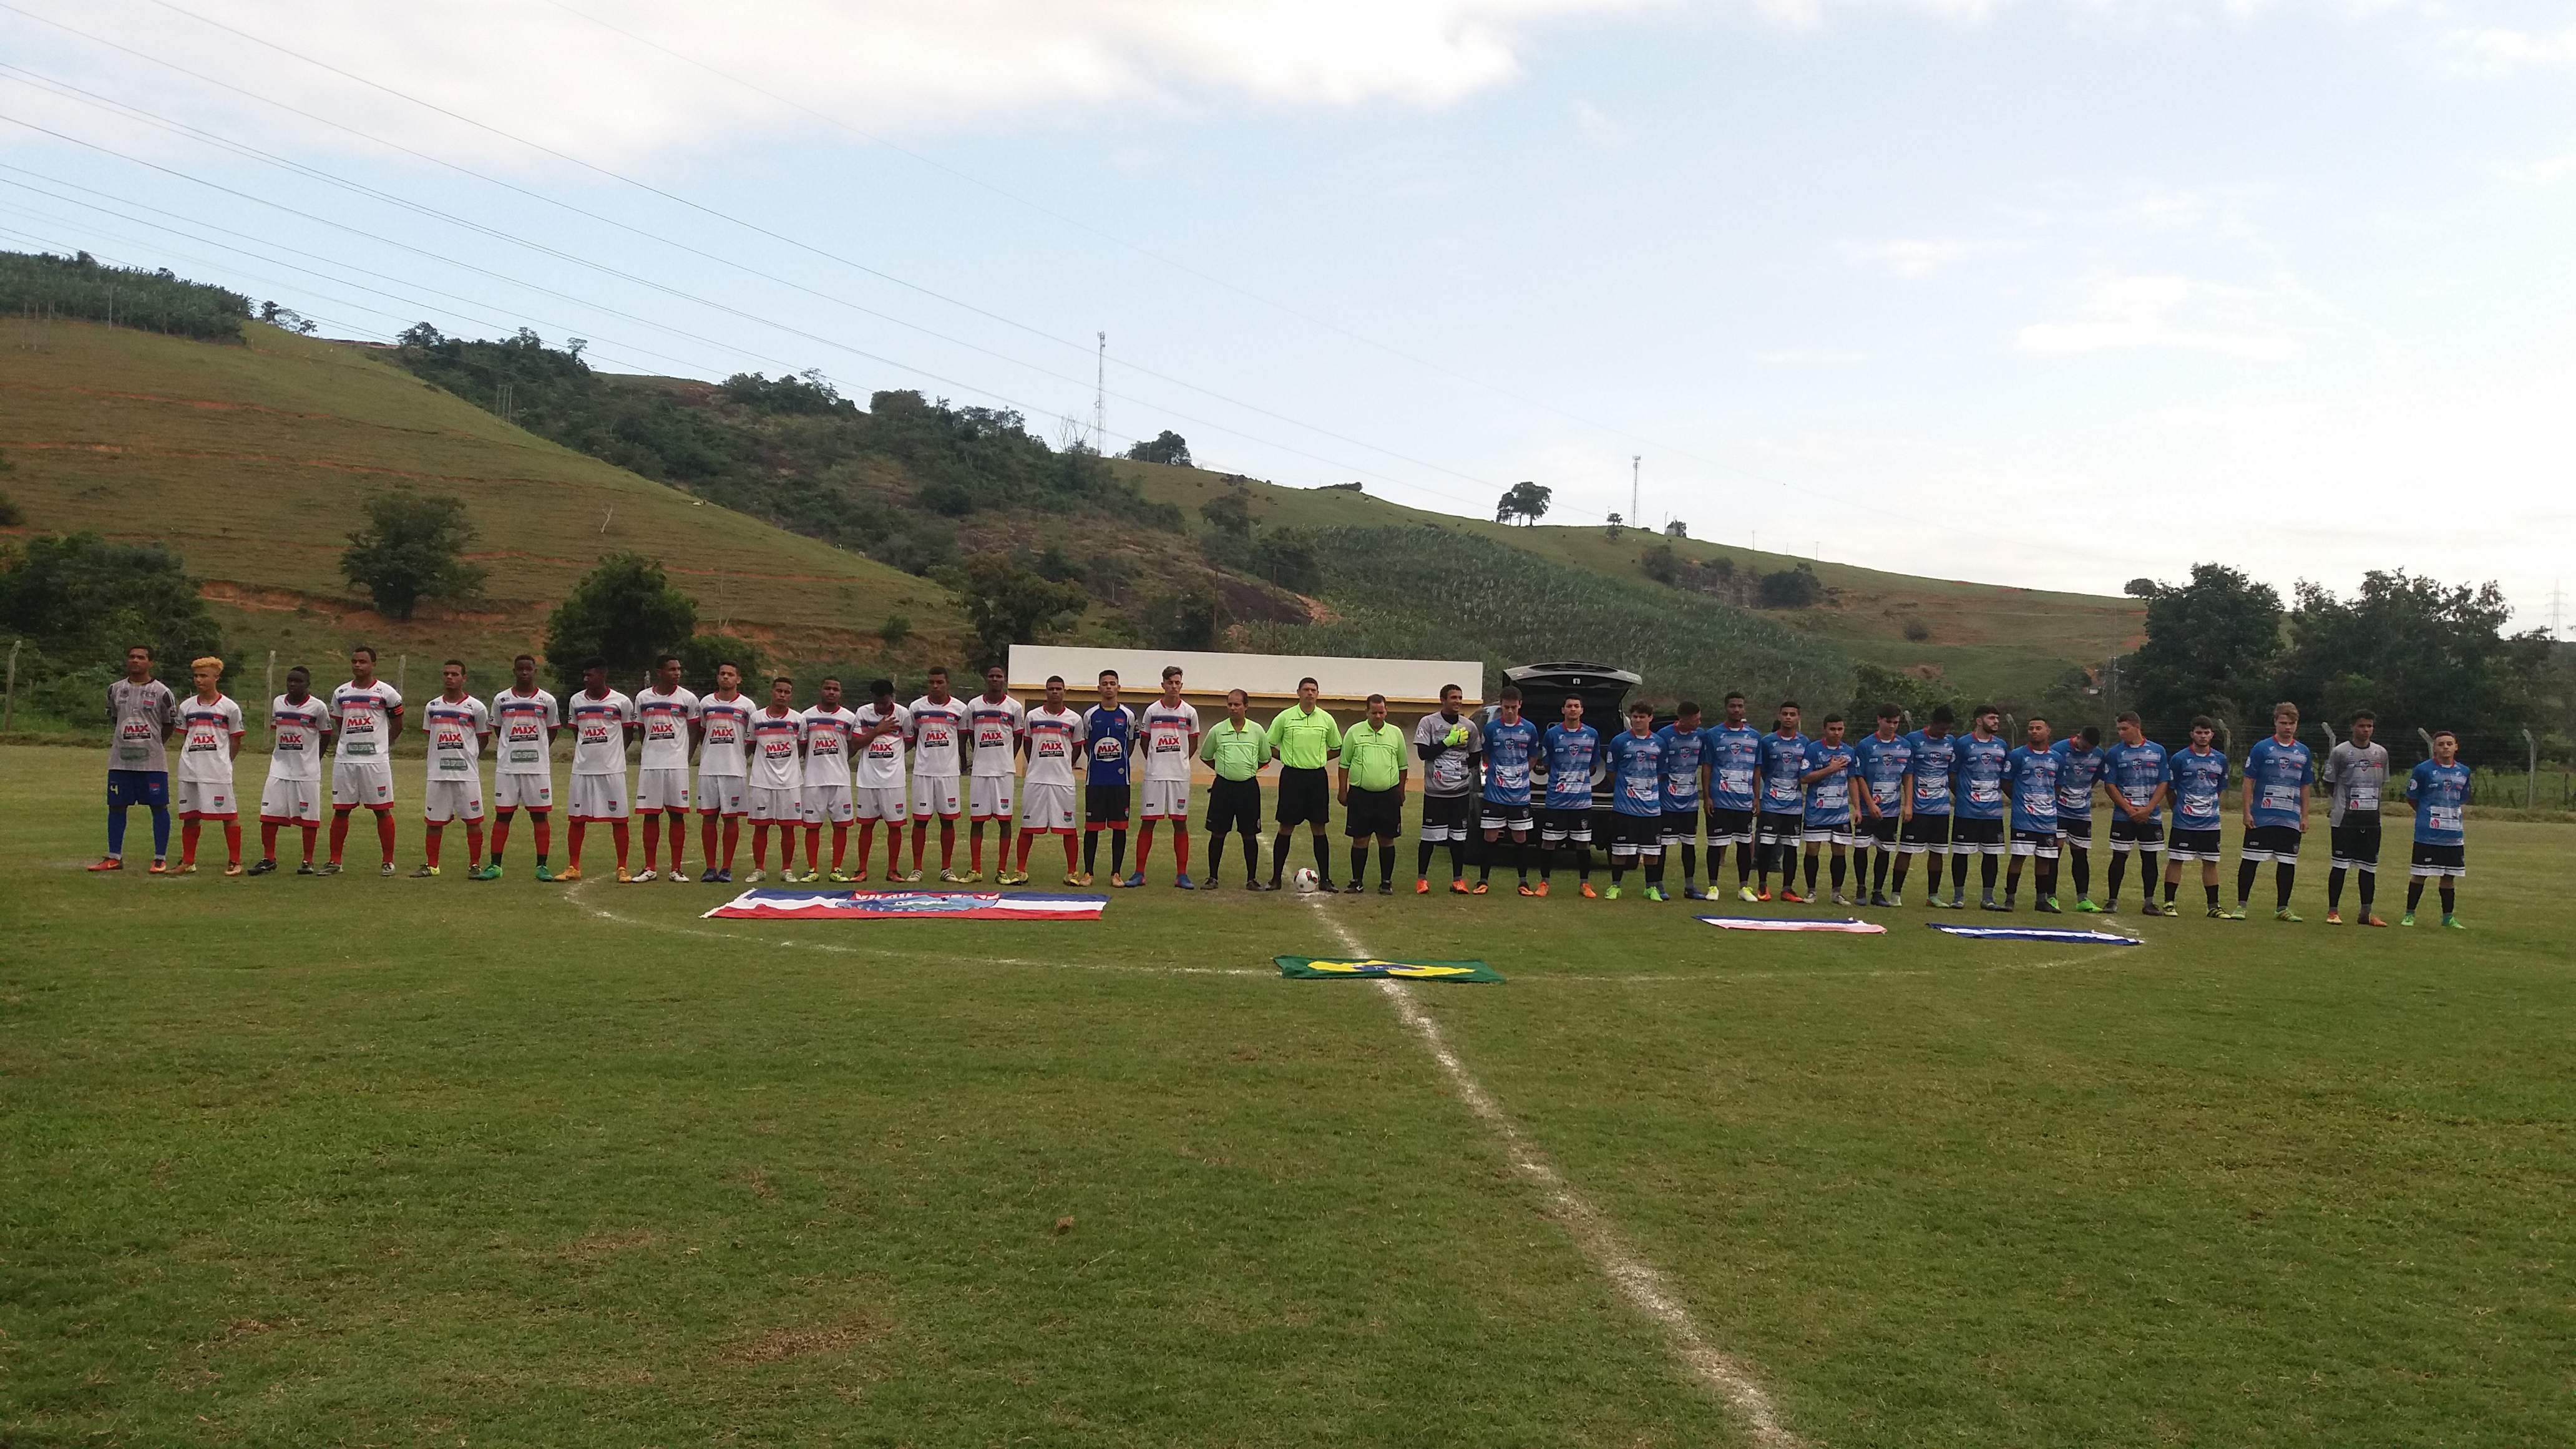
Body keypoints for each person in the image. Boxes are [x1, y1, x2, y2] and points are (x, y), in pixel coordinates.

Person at [95, 643, 179, 873]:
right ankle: (114, 857)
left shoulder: (162, 692)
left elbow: (169, 724)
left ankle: (160, 858)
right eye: (132, 657)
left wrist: (152, 744)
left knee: (159, 806)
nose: (135, 661)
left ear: (151, 662)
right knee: (116, 806)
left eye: (141, 658)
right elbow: (115, 718)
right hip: (120, 761)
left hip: (152, 762)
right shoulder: (115, 689)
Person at [325, 645, 405, 877]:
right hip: (345, 761)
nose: (358, 665)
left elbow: (398, 725)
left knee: (382, 811)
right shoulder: (341, 693)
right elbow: (340, 724)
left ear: (373, 665)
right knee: (341, 811)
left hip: (375, 762)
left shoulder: (387, 693)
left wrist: (383, 746)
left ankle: (388, 861)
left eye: (363, 662)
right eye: (355, 662)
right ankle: (334, 861)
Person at [2235, 701, 2315, 921]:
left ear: (2296, 725)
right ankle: (2241, 906)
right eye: (2283, 722)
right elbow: (2248, 780)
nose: (2287, 727)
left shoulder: (2303, 752)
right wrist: (2246, 812)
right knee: (2250, 860)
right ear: (2276, 722)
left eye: (2291, 723)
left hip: (2290, 818)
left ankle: (2282, 908)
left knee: (2287, 862)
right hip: (2262, 816)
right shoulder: (2262, 748)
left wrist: (2305, 816)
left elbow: (2305, 785)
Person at [485, 655, 560, 881]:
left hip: (537, 768)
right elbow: (499, 729)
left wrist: (537, 749)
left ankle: (542, 866)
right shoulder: (501, 699)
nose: (525, 673)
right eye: (521, 669)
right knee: (503, 816)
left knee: (539, 816)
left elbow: (552, 730)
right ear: (514, 671)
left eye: (529, 669)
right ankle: (495, 866)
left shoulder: (547, 701)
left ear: (535, 671)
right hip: (508, 768)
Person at [561, 656, 636, 882]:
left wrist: (613, 754)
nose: (586, 679)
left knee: (619, 819)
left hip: (612, 770)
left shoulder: (621, 702)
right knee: (576, 819)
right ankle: (574, 866)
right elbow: (577, 733)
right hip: (582, 769)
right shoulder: (576, 701)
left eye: (590, 675)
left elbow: (629, 733)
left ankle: (622, 867)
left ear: (602, 675)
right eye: (584, 675)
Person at [415, 659, 490, 880]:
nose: (450, 677)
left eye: (455, 674)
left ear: (464, 678)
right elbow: (431, 736)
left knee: (473, 821)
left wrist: (470, 757)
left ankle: (475, 865)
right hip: (438, 773)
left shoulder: (476, 708)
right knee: (434, 822)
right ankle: (432, 865)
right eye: (446, 673)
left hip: (466, 775)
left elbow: (483, 738)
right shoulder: (433, 707)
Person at [250, 665, 329, 876]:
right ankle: (269, 858)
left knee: (309, 817)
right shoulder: (278, 702)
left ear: (308, 684)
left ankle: (308, 861)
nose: (293, 684)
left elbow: (327, 734)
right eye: (290, 681)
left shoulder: (318, 707)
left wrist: (315, 760)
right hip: (279, 768)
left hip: (306, 772)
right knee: (268, 815)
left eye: (298, 681)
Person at [1266, 676, 1343, 892]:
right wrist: (1287, 757)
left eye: (1314, 690)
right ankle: (1275, 879)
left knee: (1319, 827)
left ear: (1318, 694)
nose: (1310, 693)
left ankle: (1326, 879)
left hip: (1317, 777)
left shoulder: (1326, 719)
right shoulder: (1285, 717)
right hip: (1292, 777)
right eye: (1306, 690)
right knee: (1286, 826)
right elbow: (1268, 744)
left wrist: (1318, 758)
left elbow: (1337, 747)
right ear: (1298, 692)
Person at [173, 656, 245, 875]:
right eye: (196, 676)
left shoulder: (229, 708)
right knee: (190, 816)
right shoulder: (186, 706)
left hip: (217, 771)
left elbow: (236, 740)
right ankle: (188, 861)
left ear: (217, 677)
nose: (198, 680)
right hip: (189, 768)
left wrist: (224, 762)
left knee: (228, 816)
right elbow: (184, 736)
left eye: (204, 675)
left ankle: (235, 861)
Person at [632, 655, 700, 884]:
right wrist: (650, 751)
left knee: (677, 815)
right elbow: (641, 730)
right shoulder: (643, 697)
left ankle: (676, 869)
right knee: (650, 815)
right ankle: (650, 867)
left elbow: (694, 730)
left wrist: (685, 757)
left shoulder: (688, 698)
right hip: (651, 765)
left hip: (677, 766)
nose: (677, 673)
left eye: (679, 669)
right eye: (672, 669)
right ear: (659, 672)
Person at [1012, 676, 1086, 885]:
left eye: (1059, 689)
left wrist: (1063, 765)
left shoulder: (1074, 719)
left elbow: (1077, 747)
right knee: (1027, 827)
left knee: (1069, 828)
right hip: (1036, 780)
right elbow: (1028, 746)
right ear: (1046, 691)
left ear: (1065, 691)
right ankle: (1021, 870)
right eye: (1051, 689)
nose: (1055, 692)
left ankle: (1072, 872)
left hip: (1063, 781)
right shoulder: (1033, 717)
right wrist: (1037, 764)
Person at [1134, 666, 1201, 888]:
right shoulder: (1152, 711)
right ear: (1163, 684)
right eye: (1170, 682)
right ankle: (1139, 873)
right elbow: (1145, 742)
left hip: (1179, 776)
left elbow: (1193, 743)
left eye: (1177, 682)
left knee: (1180, 823)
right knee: (1148, 823)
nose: (1174, 686)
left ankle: (1182, 874)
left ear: (1182, 685)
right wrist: (1155, 761)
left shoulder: (1190, 712)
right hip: (1155, 775)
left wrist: (1180, 761)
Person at [2322, 710, 2391, 926]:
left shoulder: (2381, 753)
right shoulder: (2340, 752)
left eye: (2370, 726)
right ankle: (2333, 911)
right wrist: (2341, 802)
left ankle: (2366, 914)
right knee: (2340, 865)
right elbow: (2329, 782)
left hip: (2371, 819)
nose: (2366, 730)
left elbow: (2383, 783)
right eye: (2362, 726)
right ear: (2353, 727)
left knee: (2369, 868)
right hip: (2345, 819)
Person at [1412, 683, 1482, 894]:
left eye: (1460, 697)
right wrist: (1448, 742)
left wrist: (1459, 771)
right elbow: (1423, 753)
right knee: (1429, 837)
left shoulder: (1469, 726)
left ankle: (1458, 880)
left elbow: (1476, 756)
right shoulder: (1428, 722)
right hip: (1435, 792)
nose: (1458, 701)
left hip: (1459, 792)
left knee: (1459, 838)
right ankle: (1422, 879)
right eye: (1453, 698)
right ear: (1443, 700)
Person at [1337, 693, 1409, 894]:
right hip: (1361, 795)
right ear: (1366, 711)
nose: (1378, 716)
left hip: (1388, 795)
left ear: (1386, 711)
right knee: (1360, 839)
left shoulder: (1396, 734)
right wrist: (1343, 790)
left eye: (1382, 712)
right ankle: (1356, 881)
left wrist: (1401, 792)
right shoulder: (1354, 732)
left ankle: (1386, 882)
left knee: (1387, 839)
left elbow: (1403, 766)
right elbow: (1344, 764)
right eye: (1374, 712)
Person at [1200, 688, 1271, 889]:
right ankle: (1212, 877)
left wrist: (1247, 770)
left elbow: (1265, 759)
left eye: (1237, 704)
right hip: (1222, 788)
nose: (1233, 708)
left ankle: (1252, 879)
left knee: (1250, 835)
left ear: (1246, 707)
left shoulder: (1257, 731)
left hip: (1248, 788)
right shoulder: (1217, 730)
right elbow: (1205, 757)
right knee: (1217, 834)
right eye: (1230, 704)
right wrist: (1224, 770)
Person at [2098, 712, 2169, 915]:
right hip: (2124, 816)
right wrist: (2129, 809)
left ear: (2137, 726)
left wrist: (2148, 809)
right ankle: (2112, 901)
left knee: (2150, 858)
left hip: (2151, 816)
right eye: (2119, 729)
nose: (2121, 733)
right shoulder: (2114, 753)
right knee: (2119, 857)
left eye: (2125, 729)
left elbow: (2163, 782)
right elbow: (2110, 785)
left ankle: (2149, 902)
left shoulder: (2158, 751)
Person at [694, 662, 756, 883]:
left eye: (731, 675)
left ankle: (727, 868)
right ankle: (710, 868)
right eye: (722, 674)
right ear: (717, 677)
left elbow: (751, 740)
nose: (726, 678)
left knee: (731, 819)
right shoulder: (706, 703)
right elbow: (703, 733)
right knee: (709, 818)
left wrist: (740, 757)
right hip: (709, 769)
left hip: (734, 770)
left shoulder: (748, 706)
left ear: (738, 679)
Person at [2162, 716, 2230, 917]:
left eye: (2206, 732)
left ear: (2212, 735)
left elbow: (2219, 789)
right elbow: (2171, 790)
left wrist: (2207, 806)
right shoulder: (2180, 759)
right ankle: (2169, 903)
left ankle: (2213, 906)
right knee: (2176, 860)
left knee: (2210, 862)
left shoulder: (2220, 759)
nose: (2203, 736)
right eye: (2199, 732)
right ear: (2192, 734)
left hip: (2210, 823)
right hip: (2184, 821)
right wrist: (2179, 810)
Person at [906, 667, 970, 882]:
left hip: (948, 774)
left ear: (947, 683)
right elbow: (912, 737)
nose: (935, 686)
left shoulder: (960, 709)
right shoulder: (916, 708)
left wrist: (962, 766)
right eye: (931, 682)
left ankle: (946, 869)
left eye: (940, 682)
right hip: (923, 773)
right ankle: (917, 869)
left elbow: (961, 740)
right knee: (920, 821)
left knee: (948, 821)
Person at [2402, 729, 2469, 929]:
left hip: (2453, 834)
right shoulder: (2423, 770)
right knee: (2420, 873)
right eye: (2441, 744)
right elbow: (2411, 797)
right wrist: (2426, 814)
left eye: (2449, 743)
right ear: (2434, 748)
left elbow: (2462, 798)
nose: (2446, 747)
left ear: (2456, 747)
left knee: (2449, 877)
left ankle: (2448, 917)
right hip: (2428, 833)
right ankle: (2409, 915)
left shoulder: (2464, 771)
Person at [1478, 686, 1541, 894]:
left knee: (1520, 837)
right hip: (1495, 793)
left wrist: (1520, 772)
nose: (1510, 711)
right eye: (1506, 707)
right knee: (1490, 836)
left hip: (1520, 795)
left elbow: (1533, 757)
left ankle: (1523, 882)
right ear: (1501, 705)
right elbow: (1486, 756)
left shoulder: (1530, 729)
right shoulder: (1491, 728)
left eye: (1514, 707)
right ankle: (1483, 881)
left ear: (1520, 705)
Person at [964, 665, 1025, 882]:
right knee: (977, 822)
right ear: (986, 679)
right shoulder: (973, 705)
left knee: (1005, 821)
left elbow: (1018, 738)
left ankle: (1001, 871)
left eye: (999, 677)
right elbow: (971, 736)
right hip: (981, 771)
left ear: (1005, 680)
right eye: (991, 676)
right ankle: (976, 870)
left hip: (1004, 772)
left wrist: (1008, 757)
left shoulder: (1015, 707)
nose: (995, 680)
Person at [1538, 695, 1603, 897]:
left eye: (1577, 706)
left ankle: (1585, 884)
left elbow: (1593, 764)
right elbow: (1547, 764)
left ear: (1582, 710)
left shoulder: (1592, 734)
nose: (1573, 709)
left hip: (1581, 800)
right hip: (1557, 799)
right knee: (1549, 841)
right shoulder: (1552, 734)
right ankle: (1544, 883)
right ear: (1563, 710)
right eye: (1569, 706)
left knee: (1583, 842)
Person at [1602, 700, 1667, 900]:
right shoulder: (1619, 741)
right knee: (1620, 849)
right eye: (1635, 717)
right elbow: (1612, 772)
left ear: (1650, 718)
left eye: (1642, 717)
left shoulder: (1659, 743)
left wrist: (1645, 787)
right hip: (1625, 806)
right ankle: (1615, 886)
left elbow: (1660, 773)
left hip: (1651, 808)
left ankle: (1651, 887)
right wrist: (1626, 789)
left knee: (1652, 850)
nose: (1638, 720)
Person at [1895, 705, 1958, 907]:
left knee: (1938, 851)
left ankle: (1933, 895)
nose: (1943, 733)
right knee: (1906, 850)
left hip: (1941, 808)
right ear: (1931, 723)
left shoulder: (1951, 742)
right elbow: (1908, 774)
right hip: (1918, 807)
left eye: (1947, 730)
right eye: (1941, 729)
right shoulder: (1913, 740)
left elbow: (1951, 772)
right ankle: (1895, 894)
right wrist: (1908, 805)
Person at [1948, 705, 2010, 909]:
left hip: (1993, 812)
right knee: (1961, 853)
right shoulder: (1963, 743)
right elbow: (1953, 775)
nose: (1996, 722)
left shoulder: (2002, 745)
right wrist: (1965, 797)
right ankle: (1958, 897)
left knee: (1991, 854)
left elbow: (2004, 776)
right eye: (1991, 718)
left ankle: (1988, 898)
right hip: (1967, 811)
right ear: (1979, 721)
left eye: (1997, 718)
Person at [744, 675, 805, 882]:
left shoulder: (798, 720)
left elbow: (802, 746)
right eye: (779, 691)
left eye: (787, 692)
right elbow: (750, 745)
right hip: (762, 781)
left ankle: (786, 869)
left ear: (791, 695)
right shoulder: (757, 718)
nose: (782, 695)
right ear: (772, 692)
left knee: (788, 828)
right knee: (761, 827)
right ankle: (759, 869)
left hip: (790, 782)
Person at [1850, 704, 1912, 907]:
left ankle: (1878, 892)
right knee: (1861, 848)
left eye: (1896, 723)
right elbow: (1859, 778)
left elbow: (1907, 777)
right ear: (1879, 720)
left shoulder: (1904, 746)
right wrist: (1870, 805)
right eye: (1889, 722)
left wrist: (1908, 804)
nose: (1892, 726)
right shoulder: (1866, 745)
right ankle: (1861, 889)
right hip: (1869, 809)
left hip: (1892, 810)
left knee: (1884, 849)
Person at [1704, 693, 1764, 900]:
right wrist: (1707, 797)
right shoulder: (1713, 735)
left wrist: (1757, 797)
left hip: (1744, 801)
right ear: (1726, 708)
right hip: (1720, 800)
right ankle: (1713, 887)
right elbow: (1707, 767)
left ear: (1744, 709)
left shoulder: (1755, 736)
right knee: (1715, 843)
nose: (1736, 710)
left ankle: (1744, 888)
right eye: (1732, 706)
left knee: (1744, 843)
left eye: (1740, 706)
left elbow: (1757, 769)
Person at [2001, 716, 2062, 912]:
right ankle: (2010, 899)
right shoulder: (2018, 755)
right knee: (2019, 857)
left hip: (2047, 818)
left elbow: (2058, 786)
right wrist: (2020, 800)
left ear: (2048, 731)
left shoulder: (2057, 758)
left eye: (2038, 728)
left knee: (2044, 858)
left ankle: (2041, 900)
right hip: (2023, 818)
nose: (2034, 732)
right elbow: (2006, 782)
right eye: (2031, 729)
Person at [806, 678, 864, 882]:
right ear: (820, 690)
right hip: (813, 780)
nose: (831, 692)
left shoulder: (849, 717)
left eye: (836, 689)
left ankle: (836, 869)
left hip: (840, 780)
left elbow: (854, 745)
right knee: (812, 826)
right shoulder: (807, 716)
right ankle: (812, 869)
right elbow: (803, 747)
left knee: (841, 825)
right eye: (827, 688)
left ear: (840, 693)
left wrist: (838, 759)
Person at [850, 679, 909, 881]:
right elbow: (856, 744)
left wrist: (893, 757)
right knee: (866, 826)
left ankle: (893, 870)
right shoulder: (863, 713)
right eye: (877, 702)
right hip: (868, 780)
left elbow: (909, 741)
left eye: (884, 702)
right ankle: (861, 870)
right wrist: (877, 730)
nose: (881, 706)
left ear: (891, 698)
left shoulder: (903, 714)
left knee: (895, 826)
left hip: (894, 781)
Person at [1081, 670, 1136, 887]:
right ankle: (1088, 873)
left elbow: (1130, 745)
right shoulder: (1090, 715)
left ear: (1119, 687)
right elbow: (1087, 744)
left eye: (1113, 683)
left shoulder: (1128, 715)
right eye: (1105, 684)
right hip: (1096, 781)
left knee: (1119, 827)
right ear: (1099, 688)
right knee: (1092, 828)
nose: (1109, 687)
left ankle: (1116, 873)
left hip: (1120, 781)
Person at [1796, 713, 1858, 905]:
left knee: (1840, 851)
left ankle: (1836, 893)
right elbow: (1805, 778)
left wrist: (1857, 807)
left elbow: (1853, 779)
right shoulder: (1813, 750)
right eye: (1832, 729)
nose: (1837, 733)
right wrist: (1830, 769)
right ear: (1824, 730)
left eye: (1840, 729)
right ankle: (1811, 892)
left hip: (1840, 813)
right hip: (1817, 812)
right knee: (1813, 850)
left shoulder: (1849, 752)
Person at [1751, 701, 1808, 902]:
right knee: (1766, 844)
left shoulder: (1804, 742)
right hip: (1771, 803)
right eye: (1785, 714)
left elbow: (1805, 772)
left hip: (1794, 804)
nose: (1789, 717)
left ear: (1799, 718)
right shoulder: (1767, 742)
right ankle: (1762, 886)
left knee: (1791, 846)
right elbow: (1762, 769)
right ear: (1779, 716)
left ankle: (1787, 889)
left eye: (1793, 714)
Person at [1654, 701, 1708, 900]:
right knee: (1662, 844)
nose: (1698, 722)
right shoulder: (1664, 736)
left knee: (1689, 844)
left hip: (1691, 801)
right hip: (1667, 801)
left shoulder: (1700, 736)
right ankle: (1657, 885)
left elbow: (1704, 762)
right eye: (1695, 719)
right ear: (1683, 719)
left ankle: (1690, 886)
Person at [2052, 724, 2107, 911]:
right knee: (2054, 853)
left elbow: (2095, 778)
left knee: (2081, 854)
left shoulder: (2099, 755)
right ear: (2079, 737)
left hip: (2082, 811)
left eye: (2090, 749)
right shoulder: (2059, 750)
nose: (2087, 751)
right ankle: (2050, 896)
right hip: (2058, 810)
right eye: (2085, 747)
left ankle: (2083, 899)